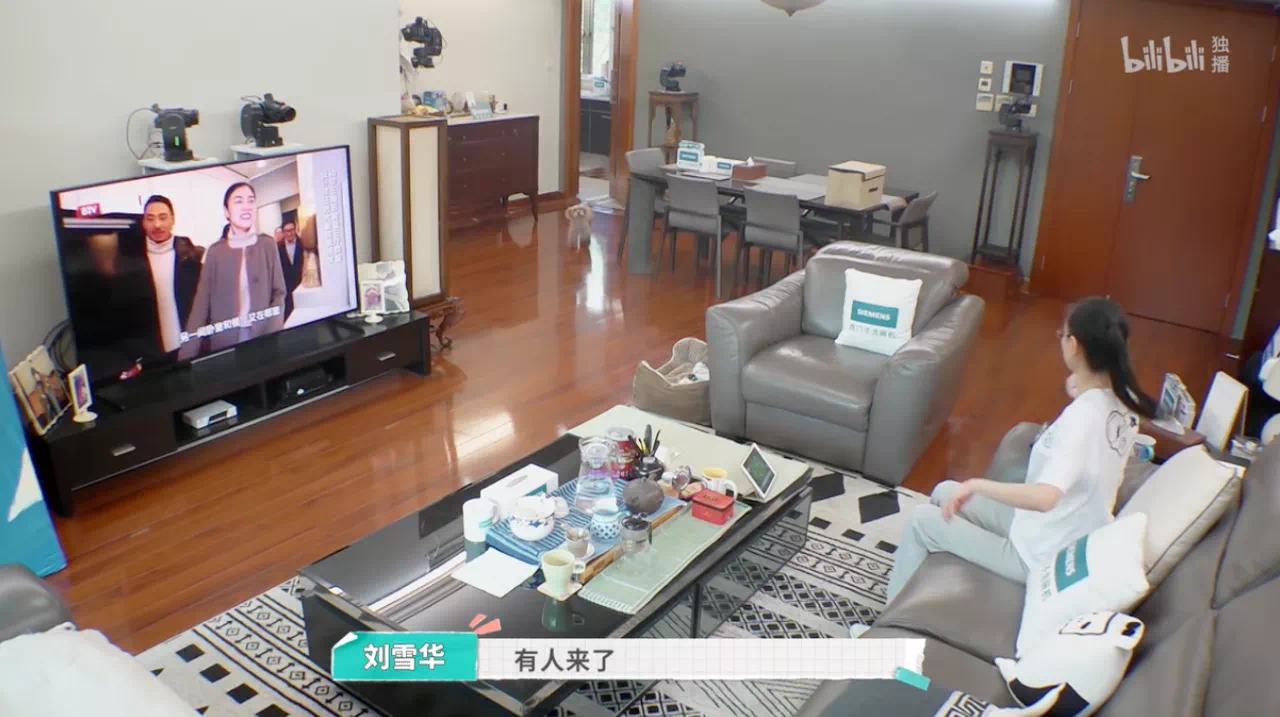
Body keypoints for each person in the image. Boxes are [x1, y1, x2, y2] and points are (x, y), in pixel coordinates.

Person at [884, 297, 1158, 604]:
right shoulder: (1125, 400)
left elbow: (1045, 498)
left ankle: (883, 628)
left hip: (1037, 555)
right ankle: (923, 587)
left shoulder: (1081, 418)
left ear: (1074, 345)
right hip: (1063, 532)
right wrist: (1078, 381)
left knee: (922, 520)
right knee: (945, 491)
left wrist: (977, 484)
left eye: (1063, 335)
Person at [178, 182, 287, 360]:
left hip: (263, 337)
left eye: (251, 201)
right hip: (225, 342)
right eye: (238, 201)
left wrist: (273, 331)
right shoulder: (215, 252)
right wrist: (186, 355)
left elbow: (279, 293)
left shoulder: (267, 244)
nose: (246, 206)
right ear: (226, 212)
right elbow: (200, 306)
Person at [140, 195, 205, 355]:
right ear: (143, 222)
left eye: (163, 218)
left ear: (173, 220)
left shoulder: (192, 256)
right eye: (150, 219)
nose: (157, 225)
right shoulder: (134, 260)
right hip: (152, 353)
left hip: (191, 347)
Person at [277, 219, 303, 321]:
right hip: (286, 288)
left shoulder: (303, 243)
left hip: (301, 285)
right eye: (287, 231)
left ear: (295, 229)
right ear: (283, 232)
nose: (290, 233)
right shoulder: (278, 248)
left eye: (292, 230)